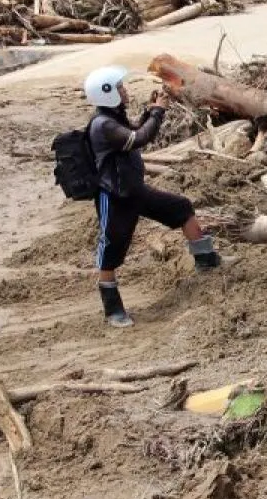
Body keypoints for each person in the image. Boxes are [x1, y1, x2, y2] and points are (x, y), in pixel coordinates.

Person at [83, 66, 232, 327]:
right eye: (119, 87)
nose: (124, 91)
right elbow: (138, 138)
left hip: (135, 190)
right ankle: (112, 309)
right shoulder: (103, 124)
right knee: (111, 247)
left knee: (181, 208)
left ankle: (207, 261)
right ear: (106, 93)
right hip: (115, 197)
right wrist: (158, 111)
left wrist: (149, 111)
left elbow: (134, 129)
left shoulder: (113, 117)